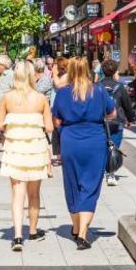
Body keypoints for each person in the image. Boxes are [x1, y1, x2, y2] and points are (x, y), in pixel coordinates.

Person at [52, 56, 115, 250]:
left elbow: (56, 121)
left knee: (72, 183)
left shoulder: (63, 93)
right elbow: (112, 113)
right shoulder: (98, 91)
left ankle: (75, 226)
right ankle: (82, 234)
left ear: (70, 71)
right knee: (90, 186)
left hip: (70, 141)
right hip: (95, 141)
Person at [0, 61, 53, 252]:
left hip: (15, 148)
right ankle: (34, 231)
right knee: (34, 193)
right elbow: (49, 127)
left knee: (17, 193)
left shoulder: (7, 97)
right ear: (32, 76)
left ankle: (18, 235)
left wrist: (13, 124)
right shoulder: (41, 98)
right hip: (36, 149)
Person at [98, 59, 136, 186]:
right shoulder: (120, 87)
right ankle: (110, 173)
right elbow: (127, 105)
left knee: (102, 148)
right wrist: (130, 119)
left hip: (100, 122)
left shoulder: (97, 86)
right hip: (117, 122)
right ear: (115, 71)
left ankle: (103, 171)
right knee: (113, 147)